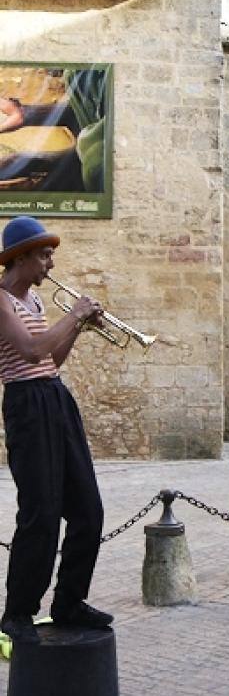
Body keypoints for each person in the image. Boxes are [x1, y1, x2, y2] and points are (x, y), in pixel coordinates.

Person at [0, 216, 112, 644]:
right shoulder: (2, 301)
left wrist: (78, 326)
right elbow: (30, 351)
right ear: (21, 257)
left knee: (88, 509)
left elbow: (52, 359)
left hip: (55, 396)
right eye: (44, 255)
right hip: (27, 404)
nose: (50, 263)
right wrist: (77, 313)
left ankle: (69, 601)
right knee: (41, 515)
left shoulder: (37, 304)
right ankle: (17, 613)